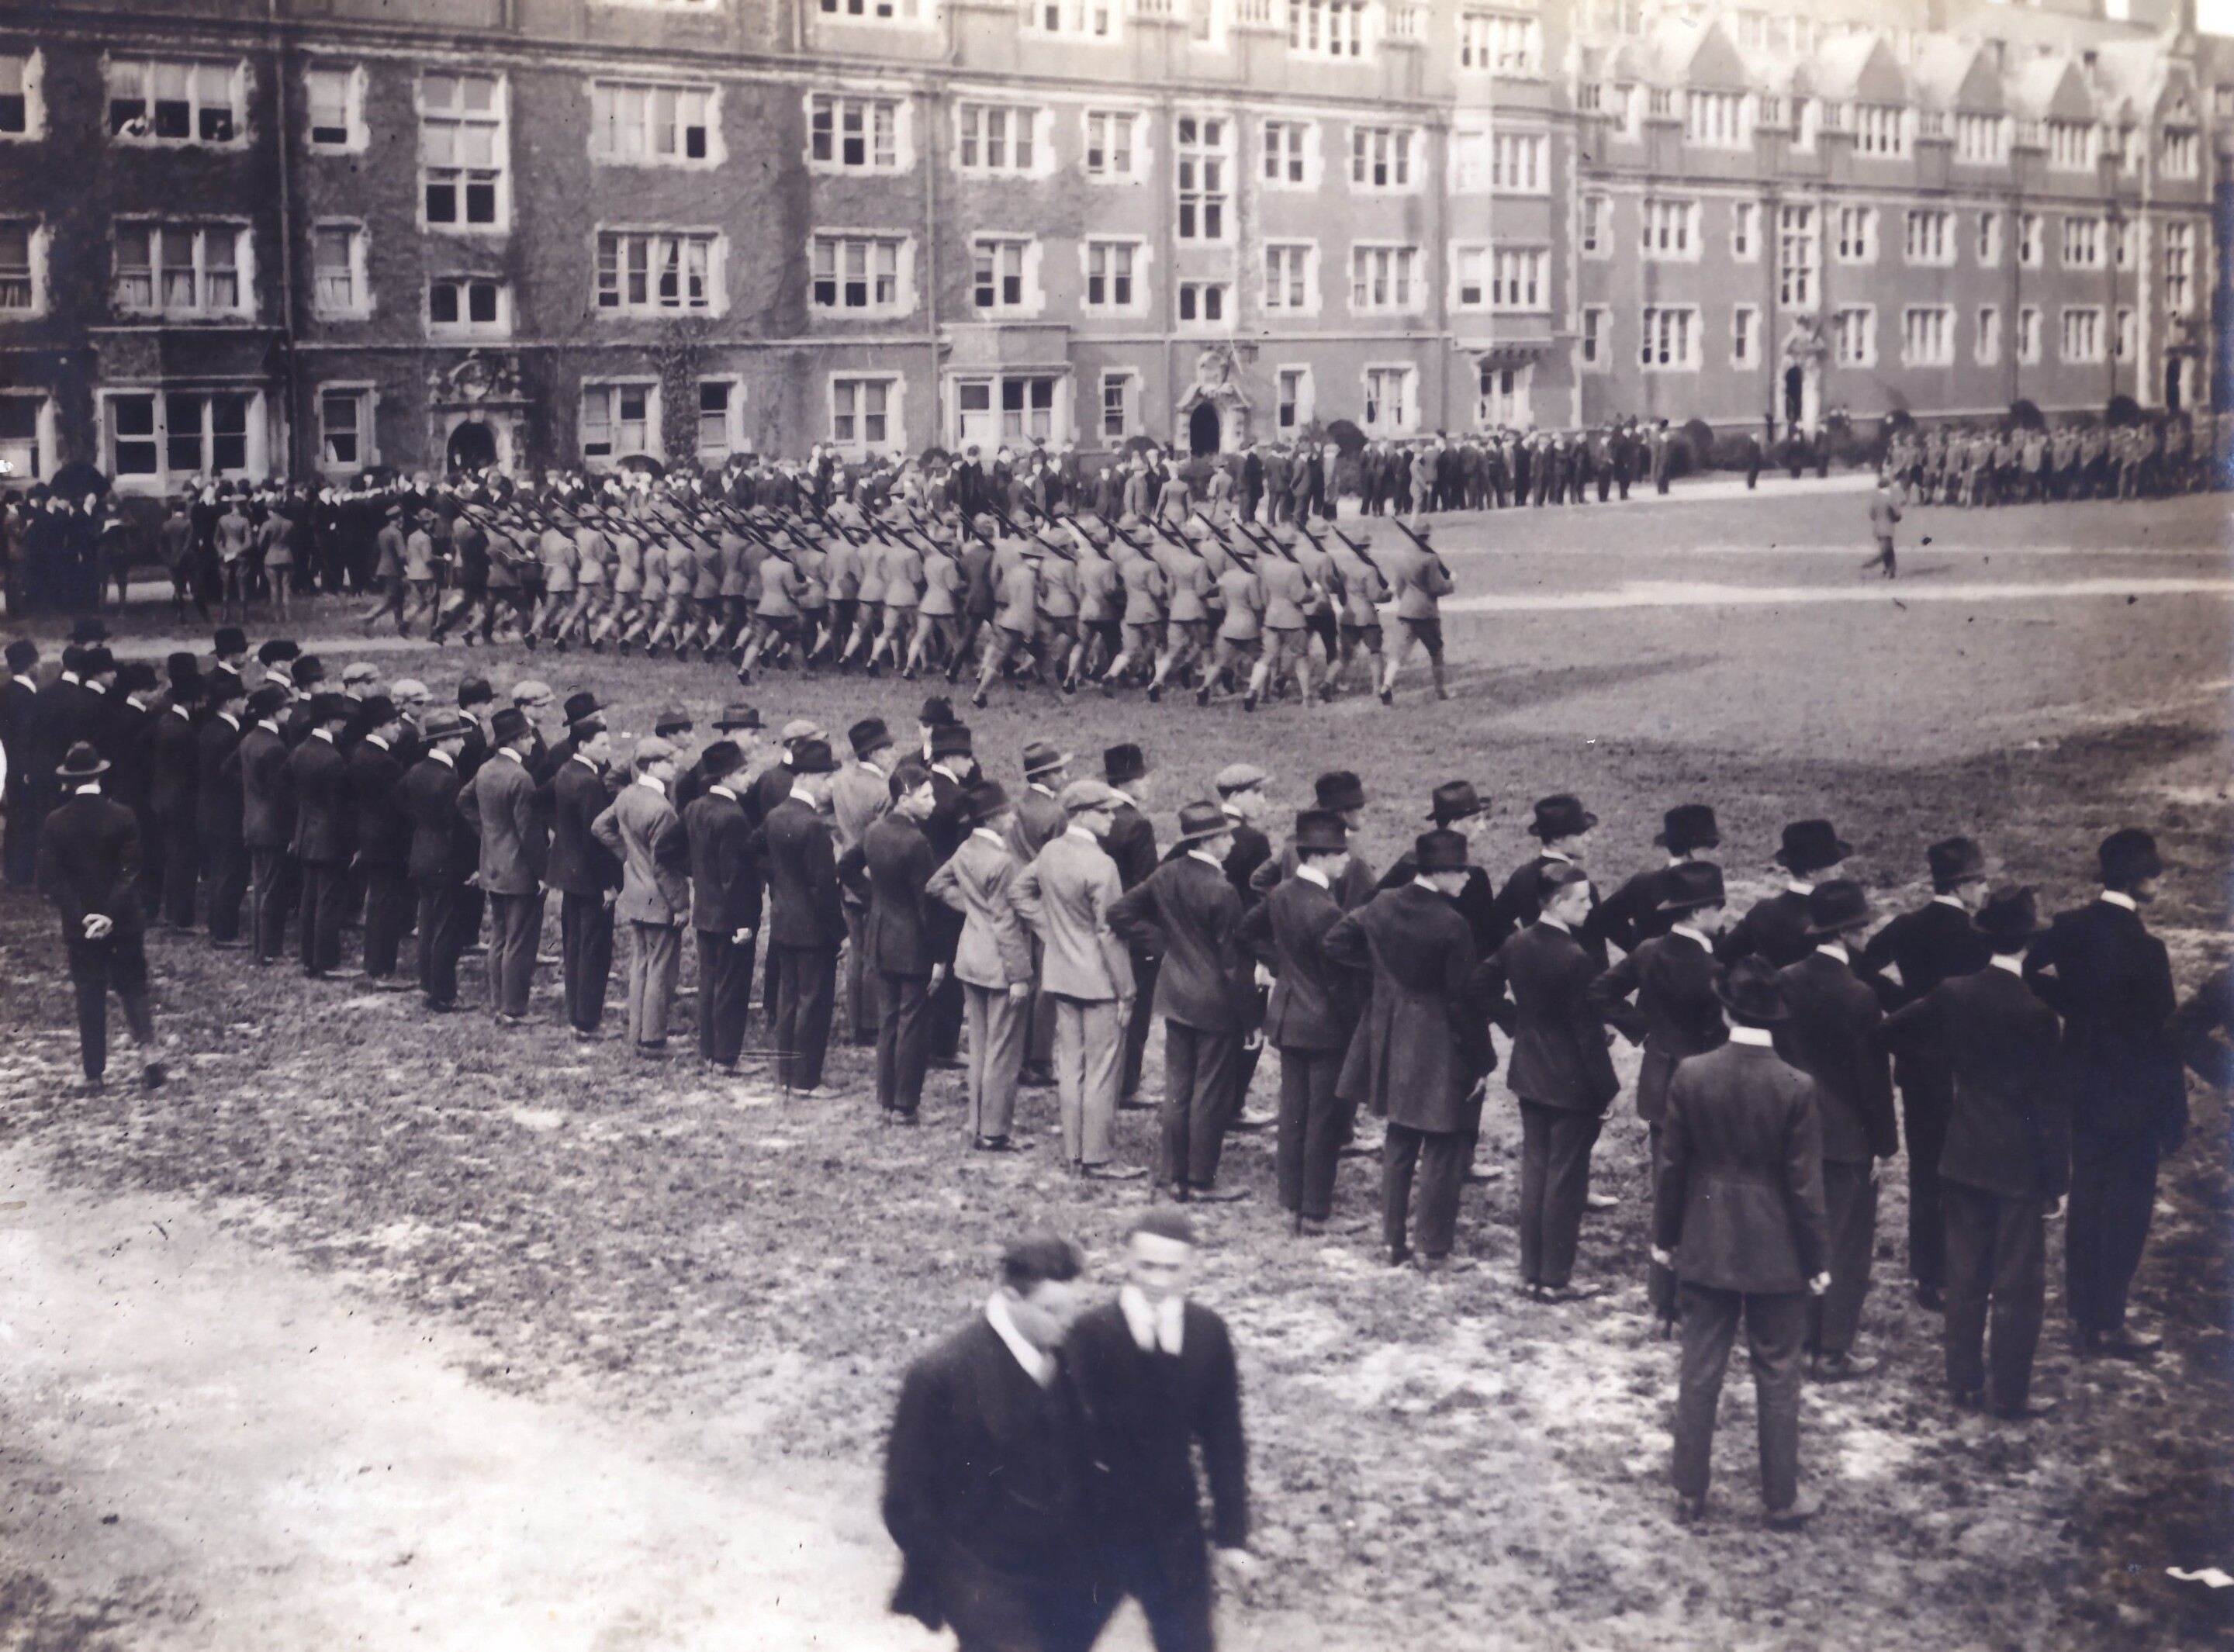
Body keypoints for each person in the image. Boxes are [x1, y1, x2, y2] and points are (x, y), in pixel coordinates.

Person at [1655, 956, 1829, 1529]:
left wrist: (1666, 1240)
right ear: (1774, 1017)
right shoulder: (1797, 1085)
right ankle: (1780, 1498)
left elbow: (1671, 1169)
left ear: (1727, 1012)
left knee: (1700, 1367)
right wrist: (1818, 1260)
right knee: (1778, 1372)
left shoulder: (1691, 1073)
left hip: (1707, 1242)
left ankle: (1688, 1492)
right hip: (1777, 1250)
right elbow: (1805, 1186)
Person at [1883, 886, 2068, 1419]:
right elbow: (2049, 1108)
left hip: (1962, 1150)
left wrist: (1944, 1063)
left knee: (1964, 1275)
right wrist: (2056, 1182)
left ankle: (1963, 1382)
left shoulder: (1954, 992)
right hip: (2017, 1165)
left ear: (1986, 937)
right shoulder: (2038, 1014)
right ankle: (2010, 1394)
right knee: (2017, 1285)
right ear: (2028, 944)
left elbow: (1891, 1029)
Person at [882, 1233, 1097, 1652]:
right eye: (1052, 1310)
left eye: (1074, 1307)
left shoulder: (1071, 1353)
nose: (1068, 1321)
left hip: (1059, 1573)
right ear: (1010, 1298)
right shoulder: (942, 1374)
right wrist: (954, 1578)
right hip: (980, 1578)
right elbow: (904, 1501)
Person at [2023, 828, 2183, 1361]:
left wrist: (2071, 1004)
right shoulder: (2149, 950)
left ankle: (2082, 1317)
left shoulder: (2071, 926)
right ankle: (2108, 1323)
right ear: (2138, 879)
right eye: (2154, 872)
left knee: (2089, 1205)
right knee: (2129, 1212)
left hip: (2084, 1090)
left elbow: (2025, 969)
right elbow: (2165, 1039)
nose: (2159, 880)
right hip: (2136, 1099)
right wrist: (2174, 1114)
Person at [1068, 1210, 1255, 1652]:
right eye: (1147, 1265)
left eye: (1172, 1268)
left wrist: (1232, 1536)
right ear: (1126, 1261)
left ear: (1192, 1267)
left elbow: (1224, 1439)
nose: (1158, 1279)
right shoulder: (1090, 1332)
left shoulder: (1207, 1333)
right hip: (1095, 1528)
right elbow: (1060, 1436)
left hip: (1174, 1530)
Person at [1323, 828, 1493, 1273]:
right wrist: (1482, 1061)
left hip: (1393, 1031)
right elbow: (1463, 1001)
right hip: (1438, 1039)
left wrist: (1383, 977)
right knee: (1443, 1142)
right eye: (1461, 871)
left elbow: (1335, 942)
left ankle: (1391, 1242)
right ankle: (1432, 1250)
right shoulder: (1453, 924)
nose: (1467, 879)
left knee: (1399, 1137)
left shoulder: (1382, 903)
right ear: (1440, 872)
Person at [1589, 859, 1731, 1322]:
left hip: (1658, 1081)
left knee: (1665, 1187)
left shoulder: (1648, 950)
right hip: (1703, 1088)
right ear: (1699, 911)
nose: (1724, 917)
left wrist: (1643, 1031)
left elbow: (1600, 992)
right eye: (1719, 908)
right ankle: (1692, 1290)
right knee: (1700, 1190)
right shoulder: (1714, 969)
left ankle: (1661, 1295)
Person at [1859, 836, 1993, 1311]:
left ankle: (1928, 1274)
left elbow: (1861, 965)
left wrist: (1903, 1005)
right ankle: (1962, 1268)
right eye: (1979, 880)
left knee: (1925, 1170)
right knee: (1967, 1171)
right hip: (1968, 1072)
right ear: (1961, 885)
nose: (1985, 890)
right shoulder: (1980, 938)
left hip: (1918, 1066)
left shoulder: (1906, 926)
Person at [1774, 880, 1899, 1381]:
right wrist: (1884, 1143)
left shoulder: (1784, 980)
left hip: (1792, 1125)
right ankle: (1831, 1351)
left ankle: (1799, 1339)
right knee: (1846, 1245)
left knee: (1799, 1232)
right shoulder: (1859, 995)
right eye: (1861, 926)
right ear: (1848, 933)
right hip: (1847, 1135)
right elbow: (1872, 1079)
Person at [1482, 862, 1617, 1300]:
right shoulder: (1576, 958)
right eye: (1582, 900)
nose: (1590, 906)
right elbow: (1587, 1035)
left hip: (1529, 1073)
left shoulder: (1516, 942)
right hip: (1570, 1083)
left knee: (1536, 1175)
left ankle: (1531, 1272)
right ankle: (1556, 1279)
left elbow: (1478, 985)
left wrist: (1517, 1022)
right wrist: (1607, 1090)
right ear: (1558, 903)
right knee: (1566, 1180)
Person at [1111, 800, 1257, 1203]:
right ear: (1208, 841)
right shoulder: (1222, 891)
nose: (1231, 843)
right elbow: (1233, 964)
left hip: (1175, 997)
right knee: (1210, 1091)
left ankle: (1173, 1173)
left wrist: (1165, 946)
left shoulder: (1167, 873)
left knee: (1178, 1087)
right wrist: (1250, 1018)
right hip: (1215, 1004)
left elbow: (1120, 912)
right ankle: (1200, 1179)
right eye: (1225, 836)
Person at [1012, 779, 1143, 1180]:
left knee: (1071, 1066)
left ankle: (1074, 1150)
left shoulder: (1051, 852)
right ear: (1084, 814)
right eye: (1105, 811)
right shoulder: (1102, 865)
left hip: (1061, 974)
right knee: (1102, 1068)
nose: (1112, 817)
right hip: (1099, 980)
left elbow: (1019, 892)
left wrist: (1051, 930)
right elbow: (1109, 933)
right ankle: (1097, 1156)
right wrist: (1127, 989)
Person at [1236, 810, 1359, 1233]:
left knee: (1292, 1114)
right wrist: (1354, 1025)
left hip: (1288, 1017)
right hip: (1324, 1027)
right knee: (1323, 1121)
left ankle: (1291, 1200)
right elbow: (1338, 981)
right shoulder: (1328, 911)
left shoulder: (1282, 892)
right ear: (1321, 856)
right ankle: (1315, 1212)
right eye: (1341, 853)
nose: (1347, 859)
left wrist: (1282, 966)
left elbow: (1246, 933)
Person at [38, 741, 165, 1092]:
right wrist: (109, 914)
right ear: (98, 776)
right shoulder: (124, 816)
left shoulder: (55, 823)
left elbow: (51, 879)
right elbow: (130, 872)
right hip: (124, 920)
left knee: (89, 991)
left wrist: (82, 916)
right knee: (134, 985)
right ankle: (149, 1053)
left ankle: (93, 1072)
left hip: (79, 927)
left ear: (69, 781)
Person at [930, 781, 1037, 1149]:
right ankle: (994, 1132)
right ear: (992, 819)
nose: (1013, 818)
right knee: (1003, 1052)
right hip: (1000, 966)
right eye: (1007, 813)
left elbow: (936, 886)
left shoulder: (965, 849)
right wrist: (1020, 975)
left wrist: (973, 910)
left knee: (979, 1048)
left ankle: (975, 1124)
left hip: (970, 959)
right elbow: (1006, 924)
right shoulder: (1003, 862)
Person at [842, 759, 945, 1123]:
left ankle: (886, 1100)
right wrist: (939, 956)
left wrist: (875, 900)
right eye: (926, 796)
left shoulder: (874, 831)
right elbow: (926, 905)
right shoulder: (917, 843)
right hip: (912, 945)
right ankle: (905, 1105)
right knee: (912, 1024)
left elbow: (846, 867)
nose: (933, 802)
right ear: (904, 799)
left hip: (880, 938)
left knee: (888, 1021)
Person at [593, 736, 691, 1059]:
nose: (675, 767)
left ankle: (637, 1032)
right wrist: (680, 905)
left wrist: (629, 858)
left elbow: (600, 827)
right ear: (650, 765)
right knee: (661, 969)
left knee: (641, 965)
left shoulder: (627, 795)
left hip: (635, 893)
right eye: (669, 762)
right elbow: (665, 865)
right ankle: (653, 1039)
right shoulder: (662, 809)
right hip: (659, 898)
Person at [759, 736, 846, 1094]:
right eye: (826, 778)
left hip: (783, 923)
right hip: (813, 931)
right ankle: (806, 1080)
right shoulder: (813, 826)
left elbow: (755, 853)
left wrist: (782, 886)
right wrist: (840, 933)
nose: (831, 785)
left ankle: (787, 1075)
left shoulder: (775, 815)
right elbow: (823, 889)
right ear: (807, 777)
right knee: (813, 1004)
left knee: (789, 1000)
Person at [458, 705, 548, 1025]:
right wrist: (543, 874)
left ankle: (499, 1003)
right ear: (515, 740)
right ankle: (514, 1009)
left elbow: (463, 800)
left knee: (499, 937)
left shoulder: (486, 769)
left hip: (493, 866)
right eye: (529, 737)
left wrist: (487, 832)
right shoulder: (521, 779)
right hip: (519, 872)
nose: (533, 742)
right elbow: (529, 833)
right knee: (519, 942)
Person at [683, 738, 762, 1077]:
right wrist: (744, 921)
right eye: (743, 772)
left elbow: (672, 849)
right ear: (726, 776)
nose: (749, 779)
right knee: (732, 988)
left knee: (710, 983)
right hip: (731, 918)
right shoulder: (734, 817)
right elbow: (736, 877)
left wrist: (702, 877)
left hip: (705, 912)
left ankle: (709, 1052)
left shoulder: (695, 808)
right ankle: (727, 1058)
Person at [547, 715, 621, 1039]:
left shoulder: (566, 771)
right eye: (602, 744)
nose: (609, 749)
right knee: (594, 950)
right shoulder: (589, 782)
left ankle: (576, 1012)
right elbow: (595, 839)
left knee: (575, 945)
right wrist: (607, 884)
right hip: (591, 878)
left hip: (569, 873)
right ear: (583, 745)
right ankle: (588, 1020)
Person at [403, 710, 478, 1013]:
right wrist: (471, 864)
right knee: (447, 928)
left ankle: (428, 983)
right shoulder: (449, 780)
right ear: (444, 741)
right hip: (446, 860)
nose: (462, 744)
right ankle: (444, 994)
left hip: (421, 854)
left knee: (428, 924)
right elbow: (459, 827)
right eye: (458, 738)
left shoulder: (416, 771)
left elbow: (401, 804)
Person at [1721, 818, 1852, 969]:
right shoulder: (1830, 917)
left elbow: (1724, 956)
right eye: (1834, 864)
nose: (1840, 870)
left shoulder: (1763, 911)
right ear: (1810, 872)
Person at [348, 696, 413, 987]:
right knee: (387, 905)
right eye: (393, 723)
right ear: (377, 727)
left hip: (370, 838)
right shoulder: (385, 763)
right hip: (389, 842)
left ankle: (375, 964)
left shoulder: (359, 753)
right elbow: (400, 806)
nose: (399, 728)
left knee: (377, 902)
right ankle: (382, 969)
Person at [1596, 804, 1720, 957]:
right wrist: (1638, 950)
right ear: (1693, 851)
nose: (1714, 855)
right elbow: (1607, 916)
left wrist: (1638, 951)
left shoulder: (1644, 884)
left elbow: (1607, 916)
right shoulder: (1707, 884)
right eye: (1710, 848)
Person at [1865, 475, 1901, 579]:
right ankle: (1889, 570)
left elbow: (1872, 515)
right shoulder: (1890, 499)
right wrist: (1894, 518)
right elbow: (1898, 515)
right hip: (1888, 527)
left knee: (1885, 549)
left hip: (1877, 528)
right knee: (1888, 551)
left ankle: (1887, 570)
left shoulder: (1875, 499)